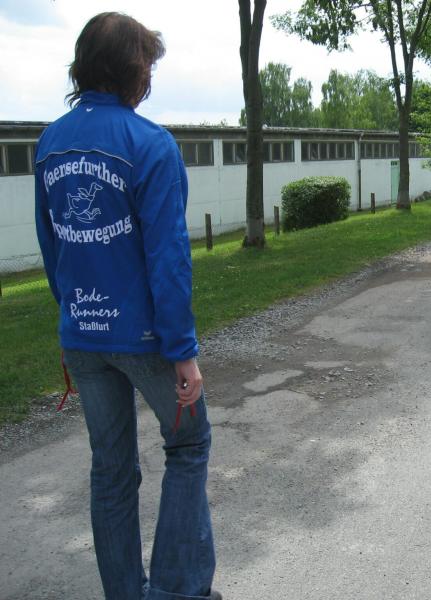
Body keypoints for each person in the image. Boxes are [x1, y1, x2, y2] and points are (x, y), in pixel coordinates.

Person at [34, 13, 220, 600]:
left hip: (83, 336)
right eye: (148, 67)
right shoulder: (150, 144)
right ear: (134, 69)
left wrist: (73, 315)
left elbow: (53, 247)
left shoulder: (49, 144)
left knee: (110, 469)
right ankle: (175, 590)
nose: (150, 79)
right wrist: (183, 351)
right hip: (143, 339)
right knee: (189, 443)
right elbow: (168, 258)